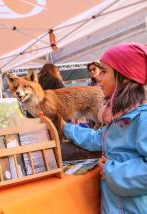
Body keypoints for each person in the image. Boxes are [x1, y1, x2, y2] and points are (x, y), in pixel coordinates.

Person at [62, 42, 147, 213]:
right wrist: (65, 128)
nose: (98, 78)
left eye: (104, 71)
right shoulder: (118, 118)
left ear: (123, 77)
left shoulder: (142, 119)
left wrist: (111, 171)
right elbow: (96, 139)